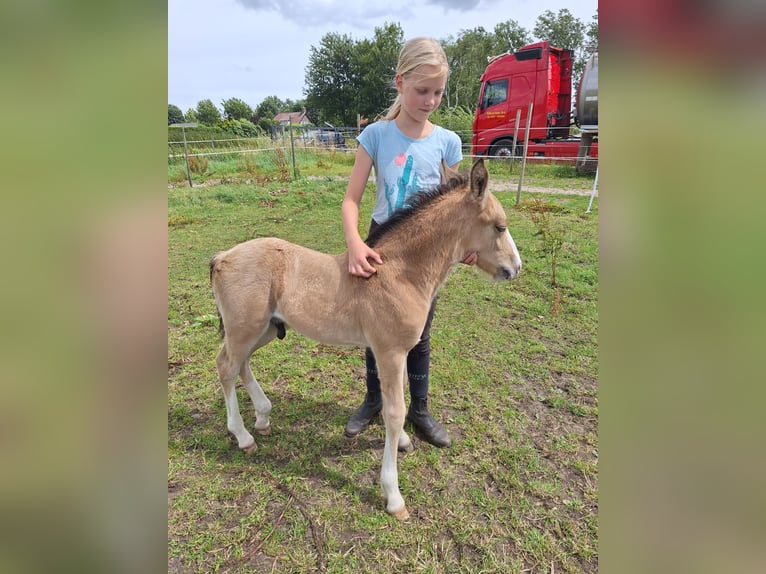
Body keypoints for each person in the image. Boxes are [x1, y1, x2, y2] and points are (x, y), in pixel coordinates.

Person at [341, 37, 477, 448]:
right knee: (376, 331)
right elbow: (351, 199)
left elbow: (455, 207)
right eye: (422, 90)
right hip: (380, 249)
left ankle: (419, 409)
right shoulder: (376, 136)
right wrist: (353, 243)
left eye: (438, 92)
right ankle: (373, 400)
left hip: (423, 260)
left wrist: (466, 245)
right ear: (400, 83)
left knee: (419, 333)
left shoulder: (447, 142)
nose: (431, 100)